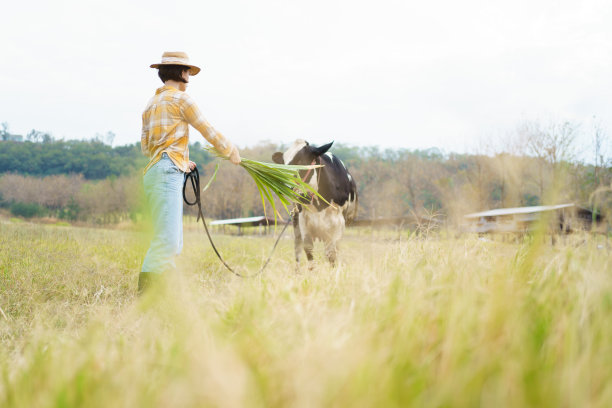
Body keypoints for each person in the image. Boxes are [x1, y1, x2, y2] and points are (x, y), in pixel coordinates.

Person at [139, 51, 241, 293]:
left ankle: (169, 295)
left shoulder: (150, 104)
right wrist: (230, 150)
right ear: (181, 73)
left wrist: (182, 160)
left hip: (154, 171)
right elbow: (207, 129)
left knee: (172, 242)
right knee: (167, 242)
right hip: (167, 173)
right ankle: (144, 301)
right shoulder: (181, 100)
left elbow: (146, 148)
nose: (189, 76)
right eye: (187, 71)